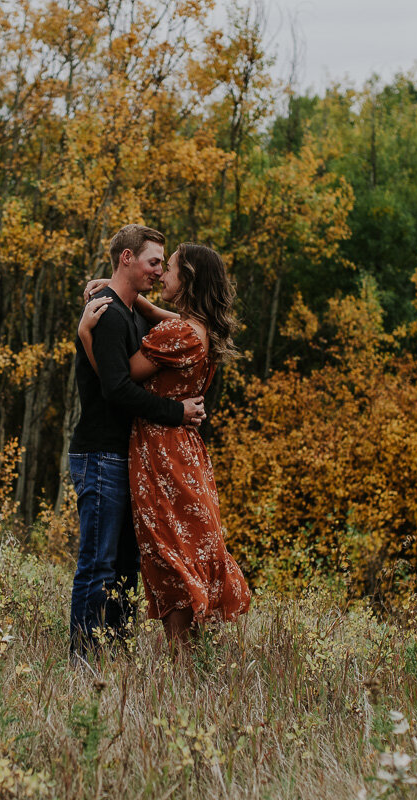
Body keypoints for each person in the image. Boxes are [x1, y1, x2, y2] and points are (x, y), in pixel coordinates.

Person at [78, 242, 250, 646]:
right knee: (183, 543)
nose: (161, 276)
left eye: (168, 268)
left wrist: (87, 335)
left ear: (187, 279)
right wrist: (120, 288)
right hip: (186, 449)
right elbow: (156, 313)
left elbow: (118, 382)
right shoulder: (199, 327)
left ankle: (180, 659)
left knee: (168, 547)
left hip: (162, 450)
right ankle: (185, 659)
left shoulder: (177, 334)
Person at [67, 224, 208, 663]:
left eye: (163, 266)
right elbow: (117, 388)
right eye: (152, 262)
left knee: (126, 565)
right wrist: (177, 412)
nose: (157, 271)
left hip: (123, 455)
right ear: (125, 258)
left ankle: (117, 656)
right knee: (99, 563)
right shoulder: (106, 313)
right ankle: (85, 659)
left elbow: (190, 328)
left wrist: (141, 303)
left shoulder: (127, 310)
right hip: (99, 453)